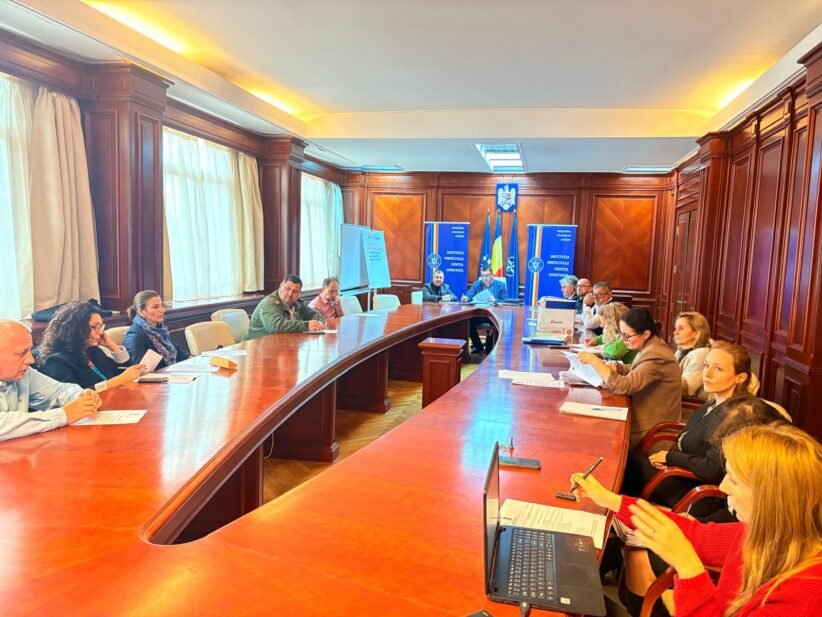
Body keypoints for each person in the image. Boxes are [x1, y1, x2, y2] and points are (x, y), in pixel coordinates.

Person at [571, 424, 822, 617]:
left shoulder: (807, 592)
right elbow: (695, 533)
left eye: (733, 480)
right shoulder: (764, 534)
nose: (723, 487)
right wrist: (608, 499)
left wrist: (688, 567)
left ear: (771, 497)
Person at [578, 307, 681, 447]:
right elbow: (635, 368)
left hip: (652, 431)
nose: (622, 339)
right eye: (621, 334)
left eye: (626, 336)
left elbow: (624, 386)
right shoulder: (651, 346)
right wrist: (615, 368)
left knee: (594, 438)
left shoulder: (656, 354)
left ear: (645, 334)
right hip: (640, 419)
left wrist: (594, 361)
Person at [0, 320, 101, 441]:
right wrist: (63, 415)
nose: (31, 360)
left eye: (29, 351)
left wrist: (81, 397)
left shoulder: (25, 373)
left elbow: (58, 391)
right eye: (22, 353)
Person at [37, 302, 144, 390]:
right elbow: (74, 396)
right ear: (74, 329)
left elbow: (128, 375)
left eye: (101, 326)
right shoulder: (56, 361)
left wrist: (112, 346)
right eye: (94, 327)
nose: (100, 332)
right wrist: (118, 380)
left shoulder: (93, 352)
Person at [124, 290, 189, 369]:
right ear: (142, 312)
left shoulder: (160, 330)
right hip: (155, 379)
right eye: (155, 307)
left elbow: (181, 355)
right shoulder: (135, 334)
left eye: (161, 305)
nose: (162, 310)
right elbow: (139, 369)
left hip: (171, 374)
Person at [246, 274, 324, 339]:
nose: (290, 294)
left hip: (283, 344)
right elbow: (276, 326)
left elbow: (316, 314)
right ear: (281, 286)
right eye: (287, 289)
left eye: (295, 291)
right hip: (259, 347)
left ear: (299, 293)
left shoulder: (297, 303)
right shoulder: (269, 303)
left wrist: (318, 323)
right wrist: (307, 325)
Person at [461, 267, 507, 354]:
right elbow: (469, 295)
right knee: (467, 324)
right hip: (479, 314)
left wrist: (495, 300)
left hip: (494, 315)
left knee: (499, 325)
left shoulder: (501, 285)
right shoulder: (476, 284)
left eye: (487, 275)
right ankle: (479, 347)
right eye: (482, 275)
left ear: (492, 275)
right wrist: (466, 298)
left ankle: (489, 348)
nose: (485, 278)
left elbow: (505, 301)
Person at [673, 311, 713, 398]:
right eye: (675, 328)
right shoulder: (682, 349)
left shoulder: (701, 355)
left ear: (697, 333)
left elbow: (686, 389)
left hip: (690, 407)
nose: (675, 332)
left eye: (681, 328)